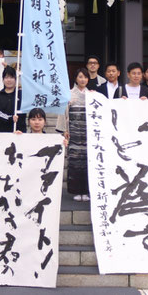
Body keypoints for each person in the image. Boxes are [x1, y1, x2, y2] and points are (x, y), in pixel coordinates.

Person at [57, 68, 90, 202]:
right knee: (75, 162)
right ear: (76, 78)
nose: (83, 80)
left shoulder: (92, 94)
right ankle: (76, 190)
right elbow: (62, 113)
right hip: (74, 132)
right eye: (80, 77)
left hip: (88, 133)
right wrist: (64, 129)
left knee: (87, 162)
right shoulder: (69, 94)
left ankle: (86, 191)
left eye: (85, 77)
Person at [0, 66, 26, 132]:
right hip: (2, 131)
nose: (9, 80)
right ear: (3, 80)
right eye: (6, 77)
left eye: (11, 77)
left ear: (16, 79)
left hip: (19, 131)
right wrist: (10, 118)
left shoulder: (21, 94)